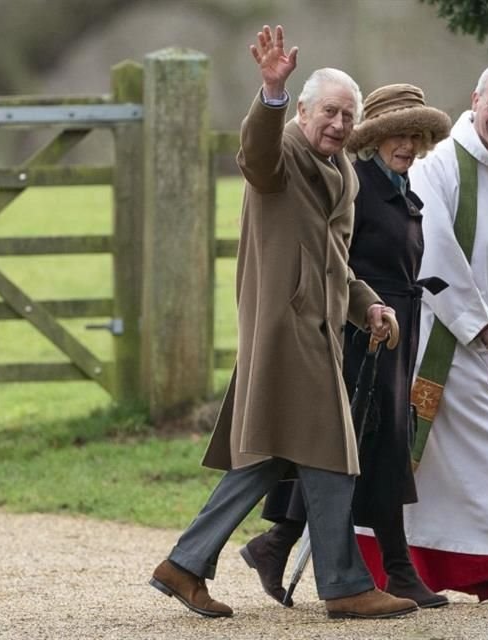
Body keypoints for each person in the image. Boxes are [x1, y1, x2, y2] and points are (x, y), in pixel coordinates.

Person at [148, 25, 417, 621]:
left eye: (348, 115)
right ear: (302, 110)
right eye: (329, 112)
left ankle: (185, 564)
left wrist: (368, 303)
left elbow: (336, 263)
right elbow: (255, 154)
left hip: (319, 331)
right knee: (333, 455)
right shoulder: (284, 152)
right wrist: (268, 92)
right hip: (284, 332)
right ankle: (345, 584)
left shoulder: (343, 171)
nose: (339, 124)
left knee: (271, 458)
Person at [359, 59, 488, 604]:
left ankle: (388, 562)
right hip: (439, 334)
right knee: (485, 445)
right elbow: (436, 250)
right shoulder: (441, 163)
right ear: (475, 100)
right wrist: (478, 323)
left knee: (432, 464)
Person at [239, 84, 452, 609]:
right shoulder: (356, 183)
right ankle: (389, 570)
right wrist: (360, 311)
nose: (409, 144)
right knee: (359, 447)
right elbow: (335, 259)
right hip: (357, 334)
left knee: (368, 446)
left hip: (395, 325)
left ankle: (277, 542)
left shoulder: (398, 185)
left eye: (417, 135)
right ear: (375, 138)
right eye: (399, 134)